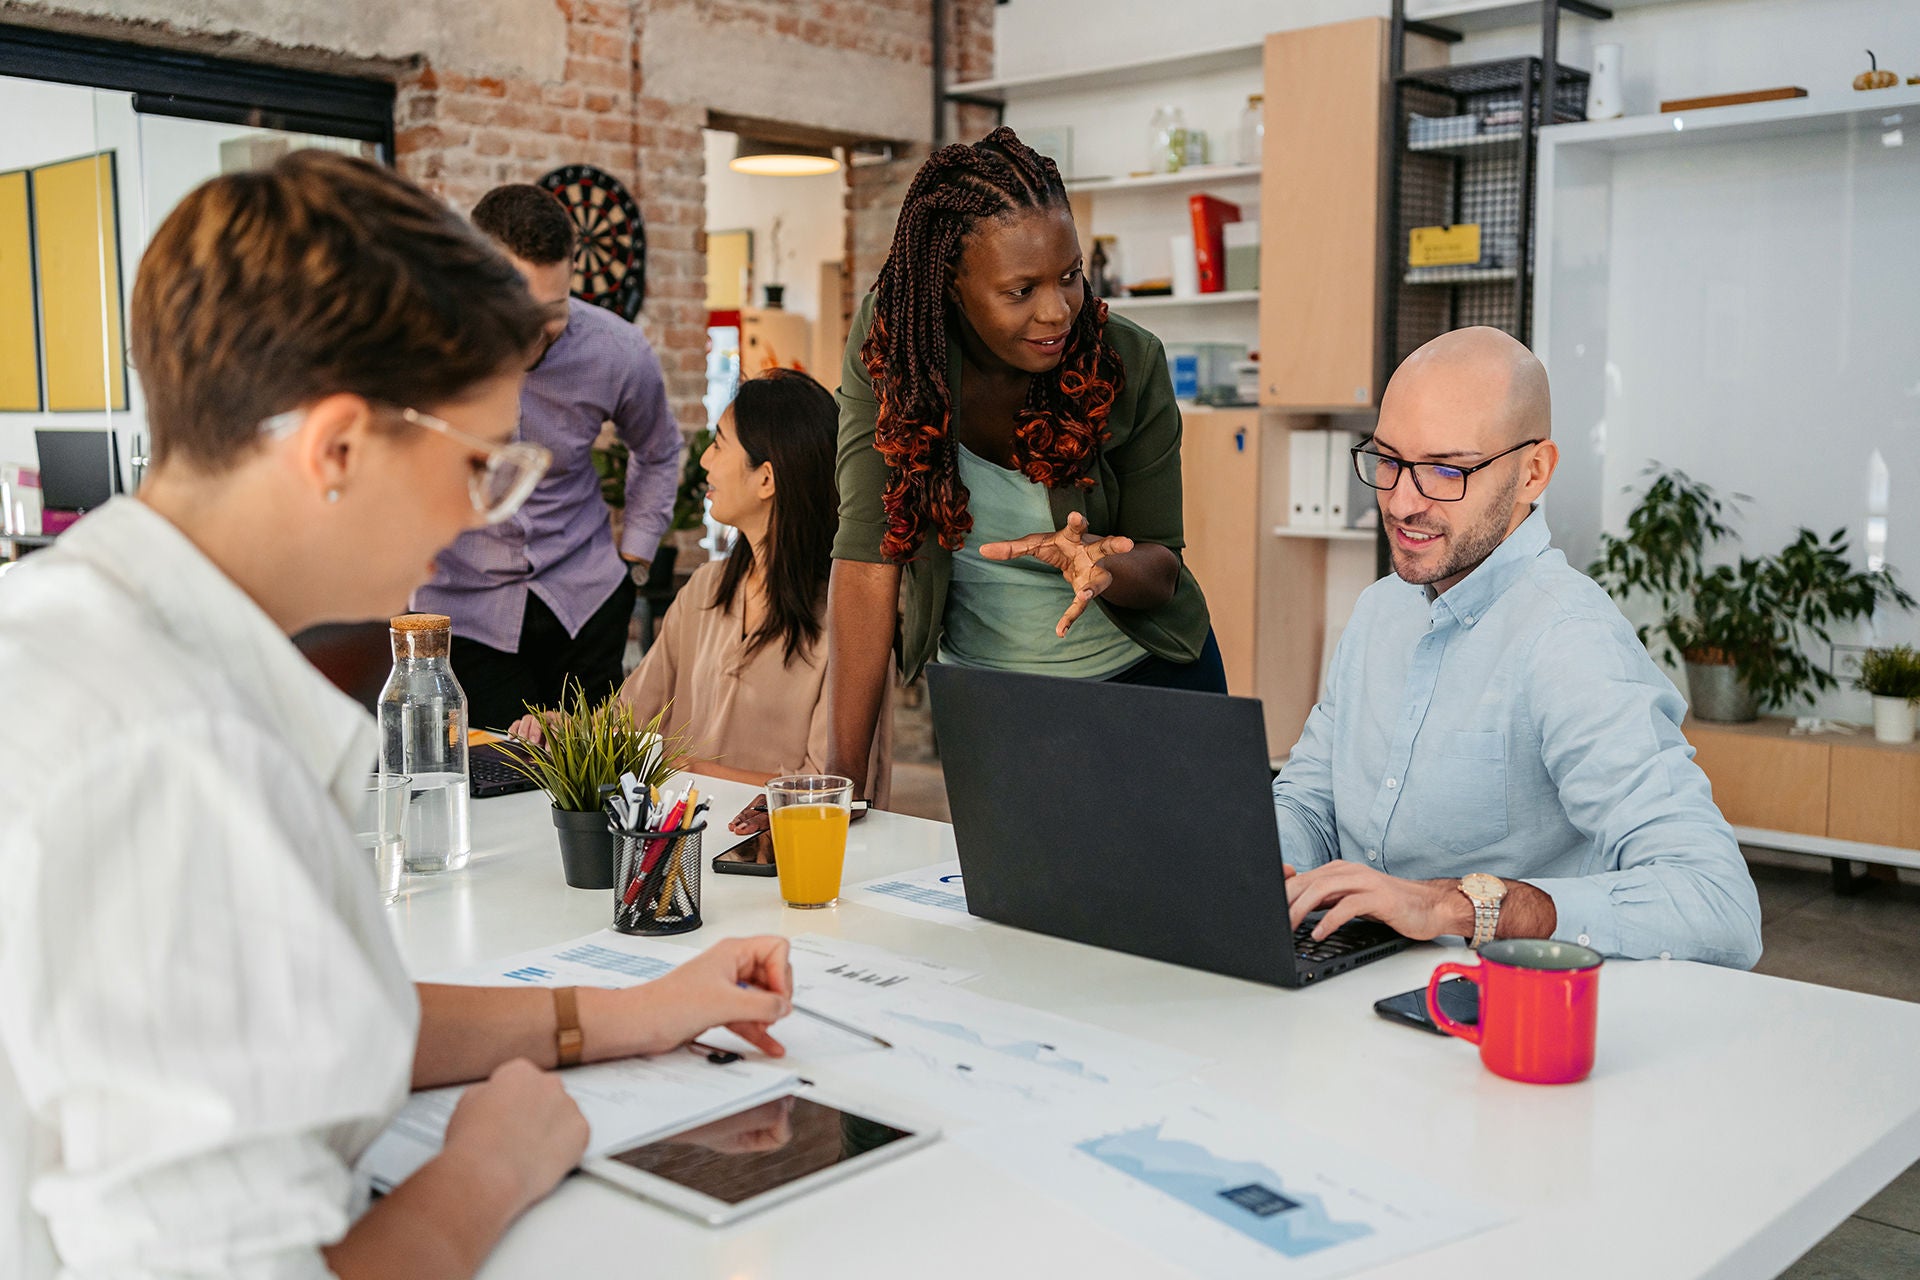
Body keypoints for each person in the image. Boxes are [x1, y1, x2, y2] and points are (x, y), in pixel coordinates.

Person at [0, 151, 795, 1280]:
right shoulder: (170, 757)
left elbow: (294, 1012)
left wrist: (625, 1013)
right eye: (478, 465)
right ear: (335, 449)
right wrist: (490, 1166)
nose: (490, 514)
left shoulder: (84, 629)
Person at [1273, 326, 1763, 968]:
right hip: (1347, 981)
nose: (1400, 501)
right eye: (1388, 460)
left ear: (1534, 473)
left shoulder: (1569, 640)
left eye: (1446, 469)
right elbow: (1311, 800)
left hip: (1501, 1012)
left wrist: (1453, 906)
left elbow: (1715, 903)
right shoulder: (1380, 610)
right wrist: (1254, 867)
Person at [826, 126, 1224, 802]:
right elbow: (867, 562)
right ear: (951, 283)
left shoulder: (1129, 360)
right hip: (993, 704)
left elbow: (1161, 567)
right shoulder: (895, 347)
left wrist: (1100, 563)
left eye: (1070, 276)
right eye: (1020, 290)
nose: (1057, 310)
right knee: (1011, 909)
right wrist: (837, 789)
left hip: (1150, 689)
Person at [512, 369, 892, 804]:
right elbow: (625, 720)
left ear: (766, 479)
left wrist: (686, 770)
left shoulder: (850, 619)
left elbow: (832, 790)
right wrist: (558, 729)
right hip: (680, 849)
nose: (706, 461)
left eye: (718, 444)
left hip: (785, 857)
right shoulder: (705, 590)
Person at [413, 183, 681, 730]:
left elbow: (658, 451)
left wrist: (636, 556)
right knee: (491, 788)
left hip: (583, 603)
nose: (539, 328)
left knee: (589, 789)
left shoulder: (617, 351)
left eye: (554, 309)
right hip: (465, 613)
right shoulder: (421, 351)